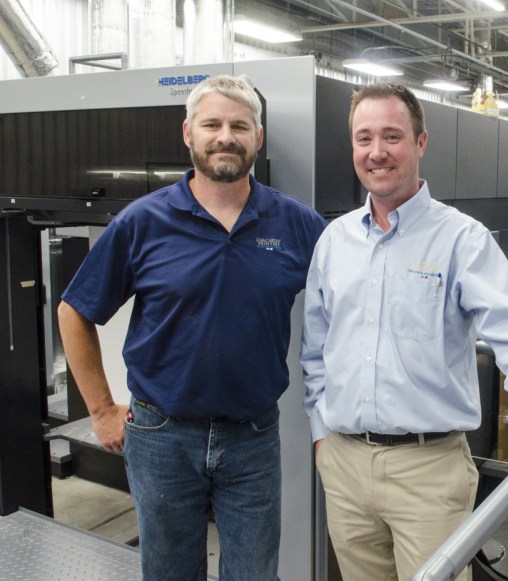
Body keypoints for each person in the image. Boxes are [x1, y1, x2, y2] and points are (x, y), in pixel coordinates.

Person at [300, 82, 508, 581]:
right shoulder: (334, 241)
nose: (376, 152)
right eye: (363, 138)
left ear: (420, 142)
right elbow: (315, 351)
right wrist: (321, 439)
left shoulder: (461, 238)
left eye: (391, 136)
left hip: (428, 472)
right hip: (344, 465)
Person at [57, 75, 327, 581]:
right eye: (212, 124)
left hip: (253, 437)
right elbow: (74, 311)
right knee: (169, 573)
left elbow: (350, 298)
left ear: (258, 138)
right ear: (189, 134)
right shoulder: (143, 222)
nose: (225, 136)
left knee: (254, 573)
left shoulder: (296, 223)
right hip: (161, 437)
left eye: (239, 126)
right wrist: (100, 409)